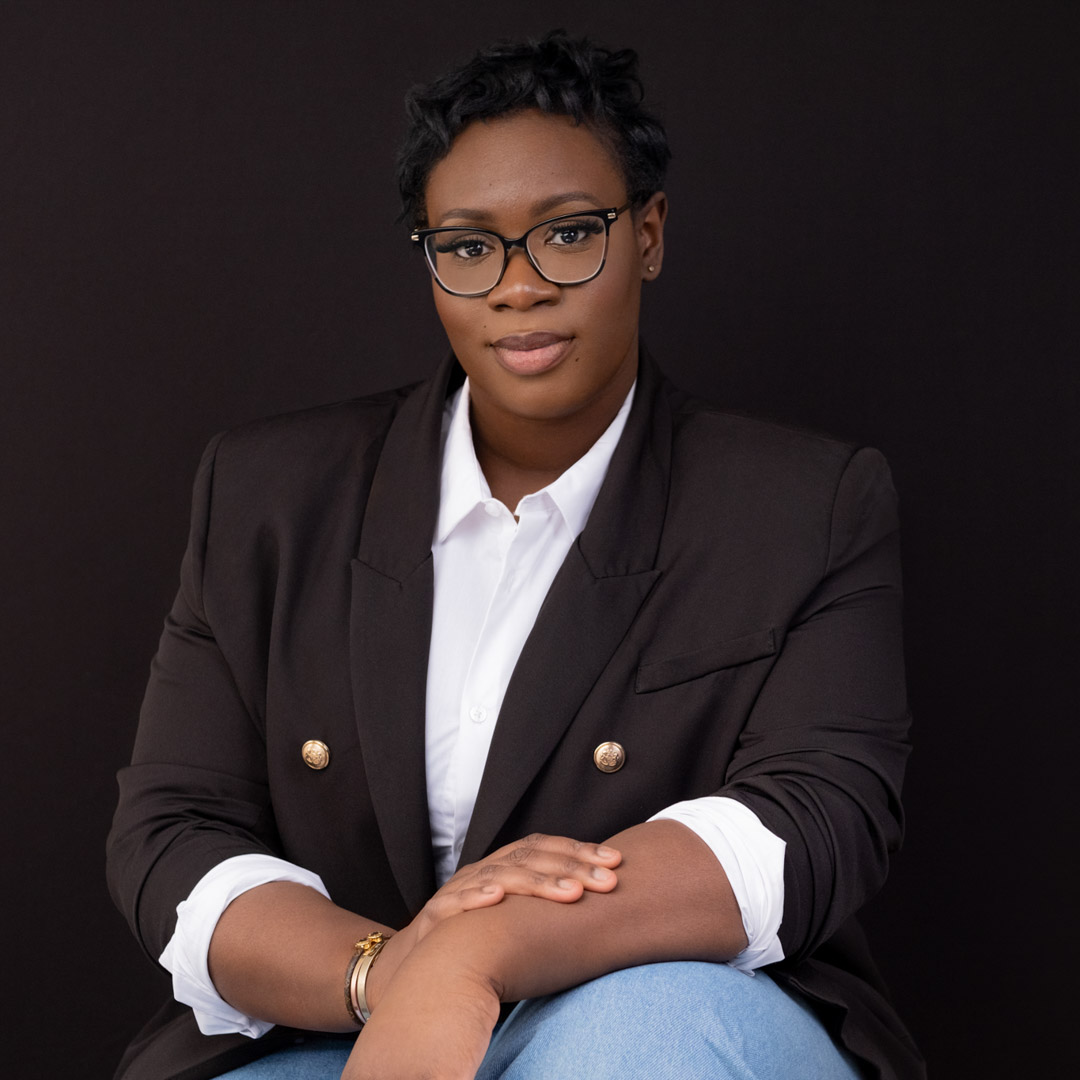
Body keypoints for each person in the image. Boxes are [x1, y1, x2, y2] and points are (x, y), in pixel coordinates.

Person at [107, 30, 924, 1080]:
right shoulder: (266, 496)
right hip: (343, 1021)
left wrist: (481, 949)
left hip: (670, 1009)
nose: (519, 286)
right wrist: (394, 971)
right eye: (468, 245)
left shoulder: (804, 506)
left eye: (570, 233)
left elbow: (818, 818)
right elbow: (173, 835)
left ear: (650, 234)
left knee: (642, 1044)